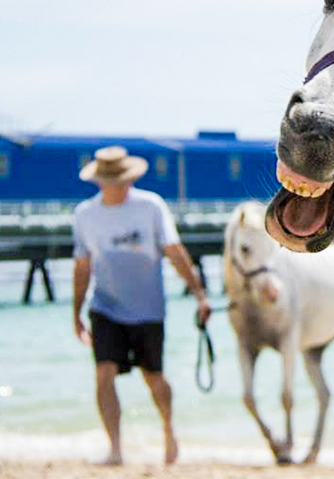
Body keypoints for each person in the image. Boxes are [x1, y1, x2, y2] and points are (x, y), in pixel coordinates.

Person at [72, 146, 211, 465]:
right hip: (105, 307)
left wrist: (199, 294)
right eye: (113, 181)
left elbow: (175, 252)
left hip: (149, 310)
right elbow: (82, 267)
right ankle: (115, 449)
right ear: (99, 182)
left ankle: (168, 430)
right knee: (103, 373)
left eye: (123, 180)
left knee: (154, 377)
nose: (120, 186)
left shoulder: (151, 206)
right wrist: (76, 313)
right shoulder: (85, 215)